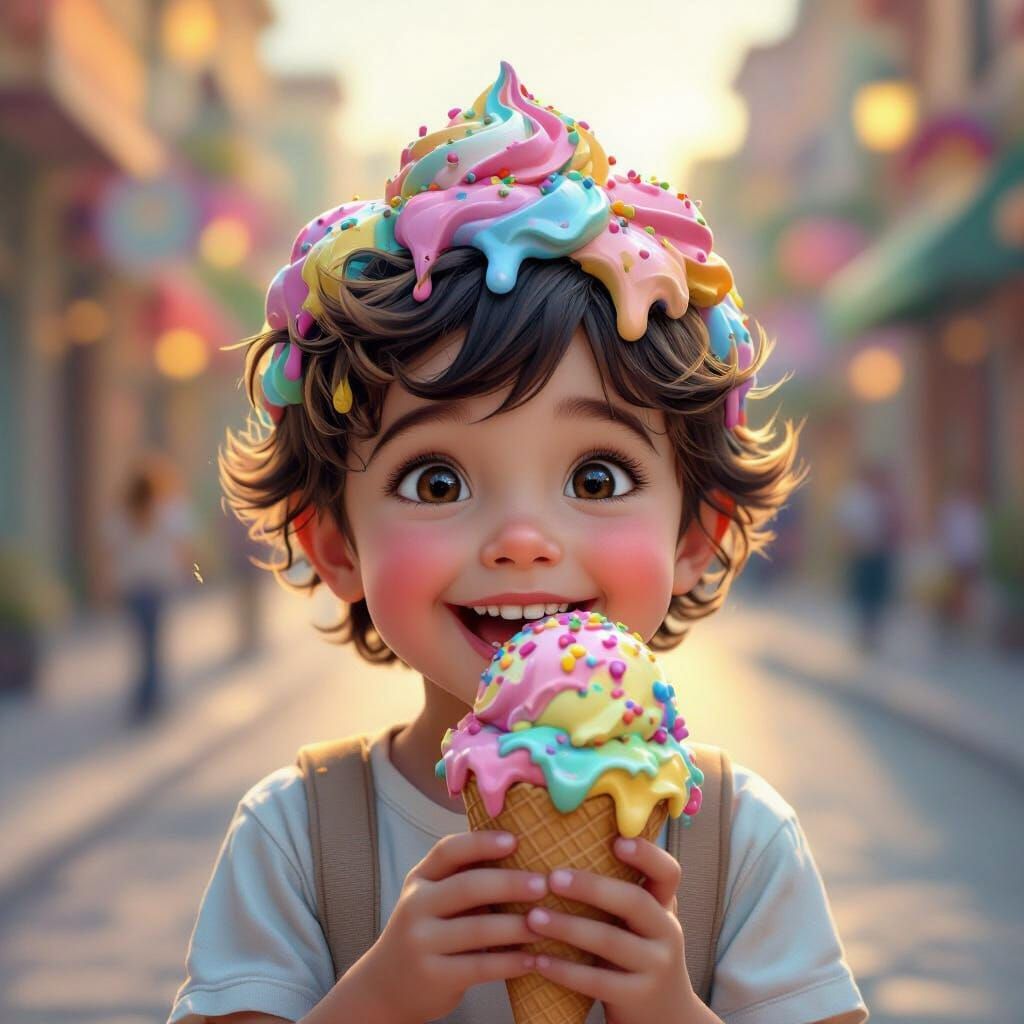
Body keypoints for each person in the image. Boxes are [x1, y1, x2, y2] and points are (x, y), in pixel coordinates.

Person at [168, 62, 867, 1024]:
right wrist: (379, 998)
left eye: (597, 478)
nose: (525, 540)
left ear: (696, 535)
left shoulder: (738, 842)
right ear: (334, 545)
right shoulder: (296, 837)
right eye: (438, 481)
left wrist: (671, 1010)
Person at [105, 454, 194, 723]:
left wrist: (106, 583)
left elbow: (109, 550)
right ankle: (152, 696)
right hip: (157, 584)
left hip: (132, 586)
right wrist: (187, 573)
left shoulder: (123, 513)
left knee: (141, 642)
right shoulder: (168, 511)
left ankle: (144, 696)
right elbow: (182, 545)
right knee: (153, 643)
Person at [835, 463, 900, 654]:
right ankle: (864, 633)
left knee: (878, 595)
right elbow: (845, 525)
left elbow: (895, 523)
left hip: (882, 552)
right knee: (864, 595)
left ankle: (873, 632)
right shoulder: (856, 498)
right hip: (862, 554)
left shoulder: (886, 498)